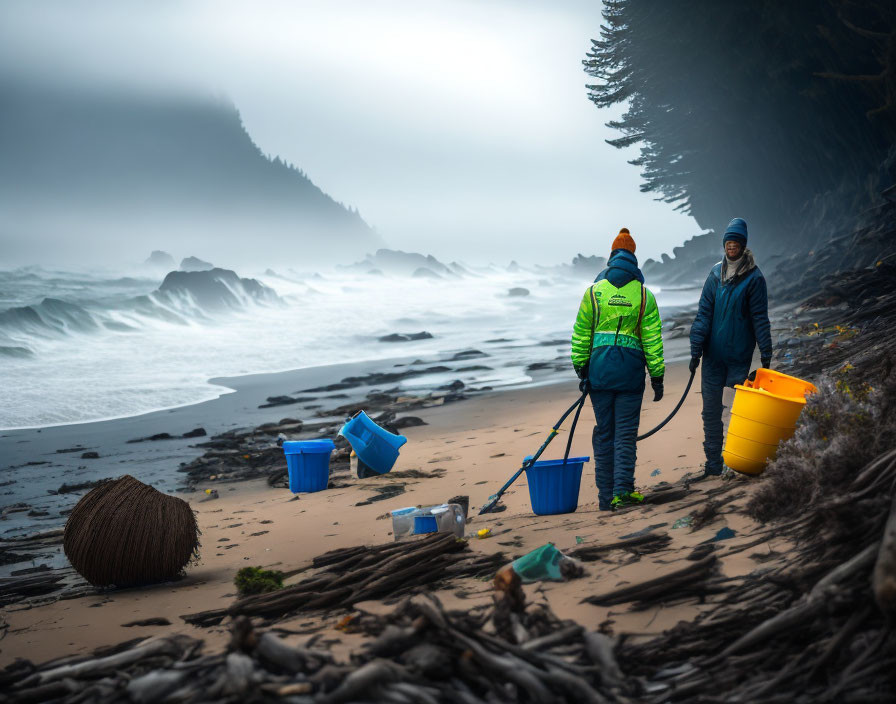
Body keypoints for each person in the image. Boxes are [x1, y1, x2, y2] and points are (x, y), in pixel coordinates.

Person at [571, 228, 665, 510]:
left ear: (612, 256)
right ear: (633, 257)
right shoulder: (644, 296)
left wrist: (580, 368)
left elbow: (581, 333)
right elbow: (652, 338)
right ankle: (622, 492)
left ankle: (604, 498)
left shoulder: (594, 292)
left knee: (604, 433)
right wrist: (657, 376)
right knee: (625, 434)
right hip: (630, 374)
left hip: (599, 373)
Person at [689, 218, 772, 477]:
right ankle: (713, 464)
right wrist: (695, 348)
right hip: (712, 357)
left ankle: (732, 461)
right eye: (728, 242)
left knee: (735, 412)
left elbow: (760, 317)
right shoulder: (715, 274)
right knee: (710, 412)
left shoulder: (754, 278)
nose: (731, 246)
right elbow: (704, 313)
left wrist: (766, 352)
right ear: (724, 245)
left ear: (743, 245)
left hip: (738, 357)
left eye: (735, 243)